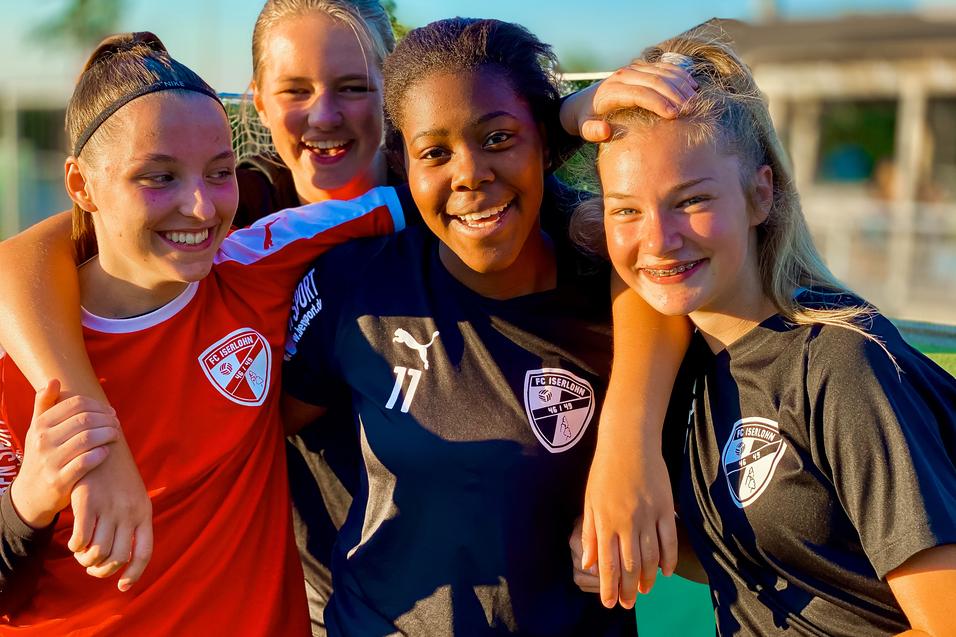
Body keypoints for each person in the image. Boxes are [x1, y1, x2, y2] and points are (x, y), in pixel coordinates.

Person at [280, 17, 698, 634]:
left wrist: (626, 454)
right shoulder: (352, 283)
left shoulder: (616, 288)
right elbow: (250, 431)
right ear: (402, 162)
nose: (470, 173)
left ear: (546, 145)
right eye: (435, 153)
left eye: (499, 138)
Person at [0, 32, 405, 633]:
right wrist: (27, 505)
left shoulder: (258, 267)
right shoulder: (21, 353)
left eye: (220, 173)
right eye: (157, 177)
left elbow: (450, 193)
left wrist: (566, 121)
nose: (201, 207)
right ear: (82, 186)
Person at [574, 25, 956, 636]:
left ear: (760, 194)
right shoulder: (682, 364)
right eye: (627, 209)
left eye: (691, 200)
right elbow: (482, 180)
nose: (658, 239)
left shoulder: (839, 363)